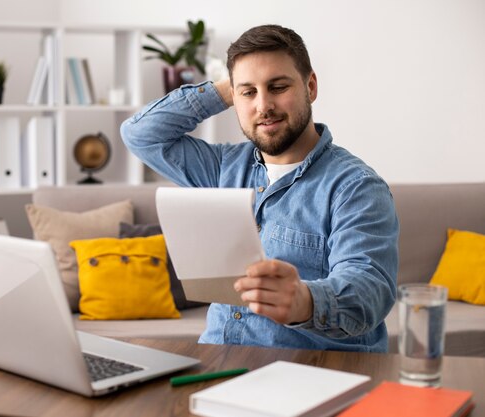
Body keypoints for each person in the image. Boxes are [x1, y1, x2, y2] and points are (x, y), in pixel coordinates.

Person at [121, 24, 399, 352]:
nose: (263, 106)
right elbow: (140, 135)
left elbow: (370, 289)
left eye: (278, 86)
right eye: (249, 93)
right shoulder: (223, 169)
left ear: (310, 87)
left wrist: (304, 302)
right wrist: (230, 88)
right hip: (219, 362)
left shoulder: (356, 187)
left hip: (313, 372)